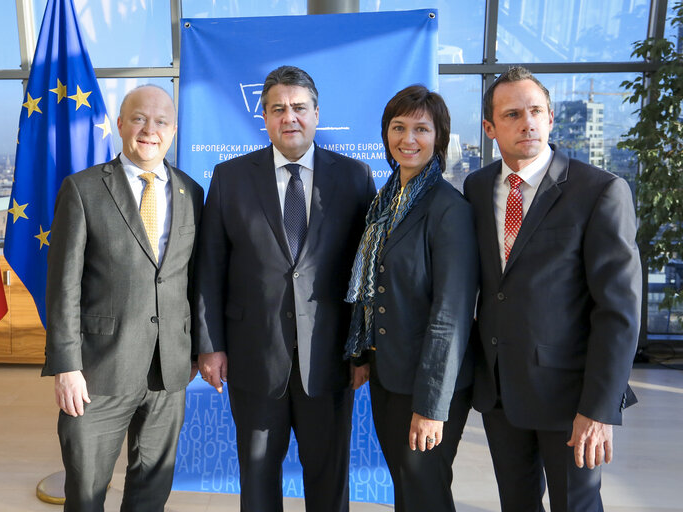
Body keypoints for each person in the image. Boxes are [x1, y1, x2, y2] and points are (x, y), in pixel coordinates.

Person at [194, 65, 376, 512]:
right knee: (258, 479)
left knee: (327, 477)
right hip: (253, 358)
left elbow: (366, 275)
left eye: (298, 107)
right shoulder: (229, 177)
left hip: (330, 362)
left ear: (316, 113)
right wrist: (210, 346)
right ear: (265, 117)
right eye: (278, 109)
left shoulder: (355, 177)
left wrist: (362, 352)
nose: (289, 117)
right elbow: (210, 268)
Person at [463, 66, 641, 512]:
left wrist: (599, 409)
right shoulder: (477, 187)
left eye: (536, 111)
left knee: (575, 506)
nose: (528, 123)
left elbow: (618, 310)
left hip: (571, 398)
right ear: (489, 127)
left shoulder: (599, 191)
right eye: (512, 114)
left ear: (551, 116)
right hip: (500, 393)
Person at [42, 84, 203, 512]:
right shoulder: (83, 189)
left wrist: (195, 351)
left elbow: (193, 279)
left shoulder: (192, 192)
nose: (150, 129)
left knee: (151, 492)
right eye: (139, 118)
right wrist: (67, 366)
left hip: (169, 373)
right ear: (120, 125)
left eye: (161, 121)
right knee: (87, 493)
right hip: (97, 373)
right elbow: (62, 286)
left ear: (173, 131)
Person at [344, 85, 478, 512]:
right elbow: (378, 287)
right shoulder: (386, 200)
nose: (409, 138)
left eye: (421, 128)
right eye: (398, 127)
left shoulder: (447, 208)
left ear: (438, 138)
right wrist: (363, 354)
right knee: (407, 487)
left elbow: (450, 315)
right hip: (389, 374)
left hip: (430, 384)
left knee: (425, 491)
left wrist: (431, 407)